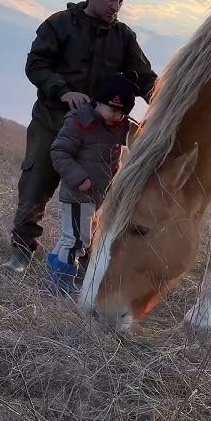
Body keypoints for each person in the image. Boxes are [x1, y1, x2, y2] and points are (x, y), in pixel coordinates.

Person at [4, 0, 157, 271]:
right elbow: (36, 65)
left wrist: (168, 104)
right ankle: (21, 251)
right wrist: (62, 91)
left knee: (94, 198)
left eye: (121, 1)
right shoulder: (58, 24)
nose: (116, 6)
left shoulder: (124, 37)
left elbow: (145, 79)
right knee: (35, 188)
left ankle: (84, 260)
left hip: (98, 136)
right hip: (52, 122)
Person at [46, 73, 139, 293]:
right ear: (98, 101)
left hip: (98, 193)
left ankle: (55, 269)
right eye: (113, 109)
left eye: (122, 112)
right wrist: (80, 178)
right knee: (77, 240)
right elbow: (59, 151)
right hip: (79, 191)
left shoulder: (120, 125)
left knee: (71, 236)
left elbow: (137, 133)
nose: (117, 116)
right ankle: (61, 284)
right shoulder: (79, 121)